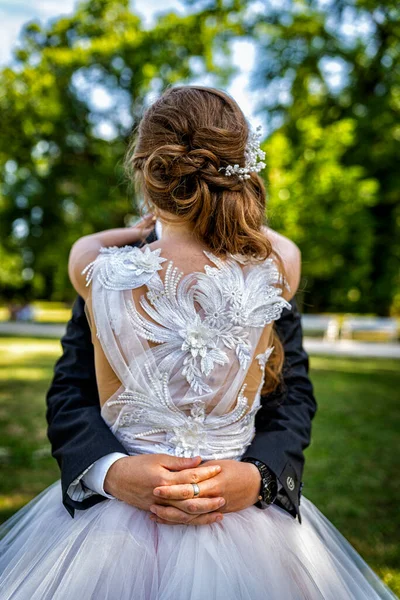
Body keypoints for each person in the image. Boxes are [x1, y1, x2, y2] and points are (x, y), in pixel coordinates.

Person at [0, 85, 396, 600]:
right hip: (187, 521)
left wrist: (260, 478)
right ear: (242, 167)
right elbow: (68, 395)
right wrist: (110, 472)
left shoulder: (98, 271)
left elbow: (293, 396)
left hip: (132, 536)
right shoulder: (275, 271)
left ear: (146, 171)